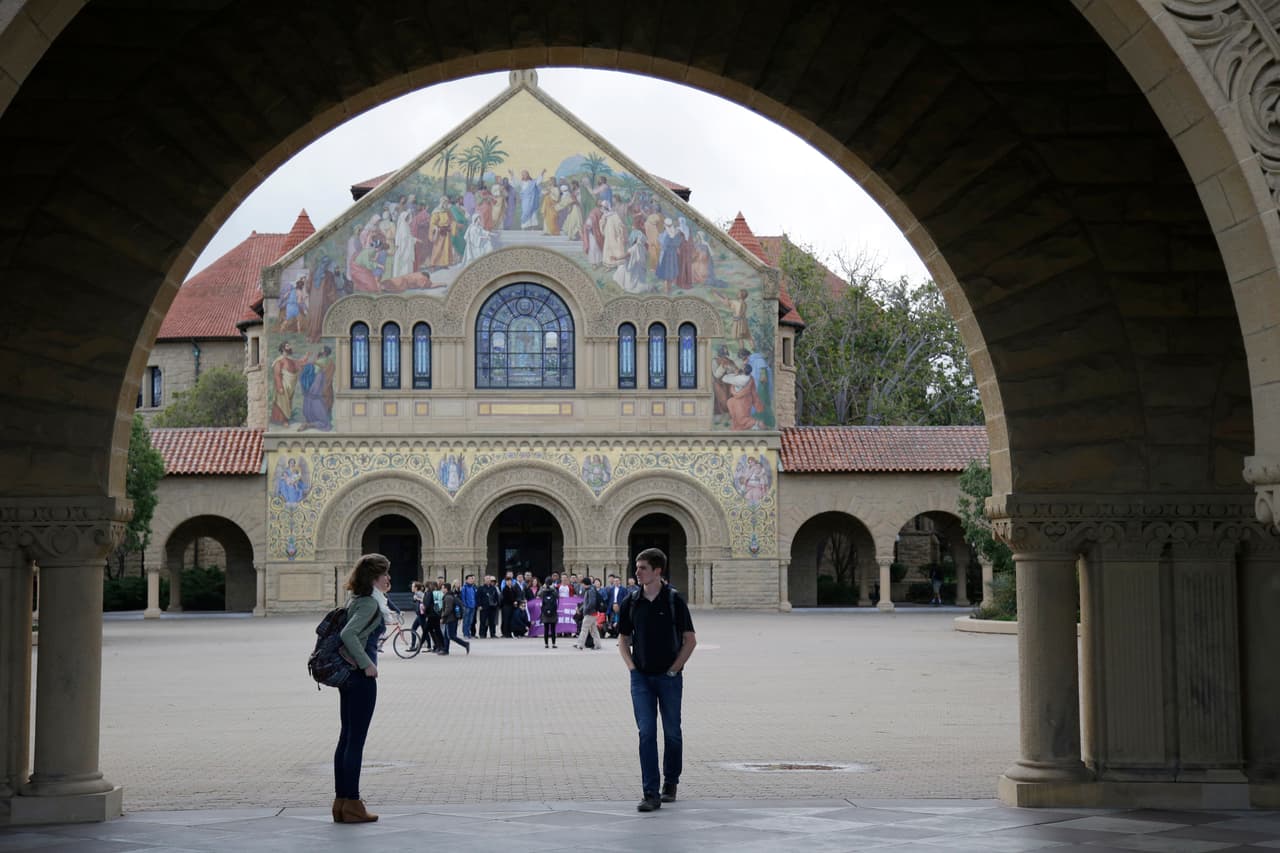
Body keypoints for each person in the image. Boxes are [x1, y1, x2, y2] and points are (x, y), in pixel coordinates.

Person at [618, 548, 697, 813]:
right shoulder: (631, 602)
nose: (637, 572)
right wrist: (632, 668)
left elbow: (690, 640)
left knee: (672, 733)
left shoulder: (674, 601)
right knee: (646, 733)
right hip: (641, 679)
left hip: (669, 678)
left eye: (642, 567)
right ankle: (650, 793)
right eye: (637, 567)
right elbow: (623, 640)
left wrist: (674, 669)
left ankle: (671, 781)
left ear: (657, 571)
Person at [332, 553, 392, 823]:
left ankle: (342, 802)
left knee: (346, 738)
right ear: (373, 578)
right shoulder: (369, 603)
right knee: (355, 741)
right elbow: (348, 634)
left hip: (348, 677)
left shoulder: (356, 599)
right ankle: (353, 803)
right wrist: (367, 664)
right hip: (360, 678)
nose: (388, 578)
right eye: (384, 574)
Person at [438, 582, 470, 655]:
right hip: (451, 618)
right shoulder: (449, 596)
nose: (441, 589)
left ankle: (465, 644)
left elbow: (448, 609)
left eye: (442, 588)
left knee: (451, 636)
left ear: (446, 589)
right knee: (446, 636)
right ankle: (445, 650)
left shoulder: (448, 597)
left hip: (451, 619)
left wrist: (442, 616)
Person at [575, 575, 604, 650]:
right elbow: (586, 603)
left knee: (584, 629)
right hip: (593, 613)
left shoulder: (590, 591)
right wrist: (581, 609)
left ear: (585, 584)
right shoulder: (591, 590)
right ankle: (598, 645)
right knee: (594, 630)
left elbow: (591, 603)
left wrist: (585, 610)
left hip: (589, 613)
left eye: (582, 584)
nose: (582, 585)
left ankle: (580, 645)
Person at [539, 578, 560, 649]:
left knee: (546, 629)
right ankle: (553, 644)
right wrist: (553, 588)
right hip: (553, 611)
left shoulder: (543, 590)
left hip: (545, 611)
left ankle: (546, 644)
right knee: (553, 629)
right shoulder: (554, 590)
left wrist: (543, 588)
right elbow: (558, 596)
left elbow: (539, 595)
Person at [461, 573, 478, 638]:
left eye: (471, 579)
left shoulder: (473, 587)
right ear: (466, 580)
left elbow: (474, 597)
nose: (471, 580)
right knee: (466, 621)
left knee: (470, 621)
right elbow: (463, 597)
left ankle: (468, 633)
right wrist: (465, 605)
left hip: (473, 606)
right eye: (470, 579)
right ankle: (465, 633)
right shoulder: (464, 588)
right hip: (467, 607)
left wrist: (475, 604)